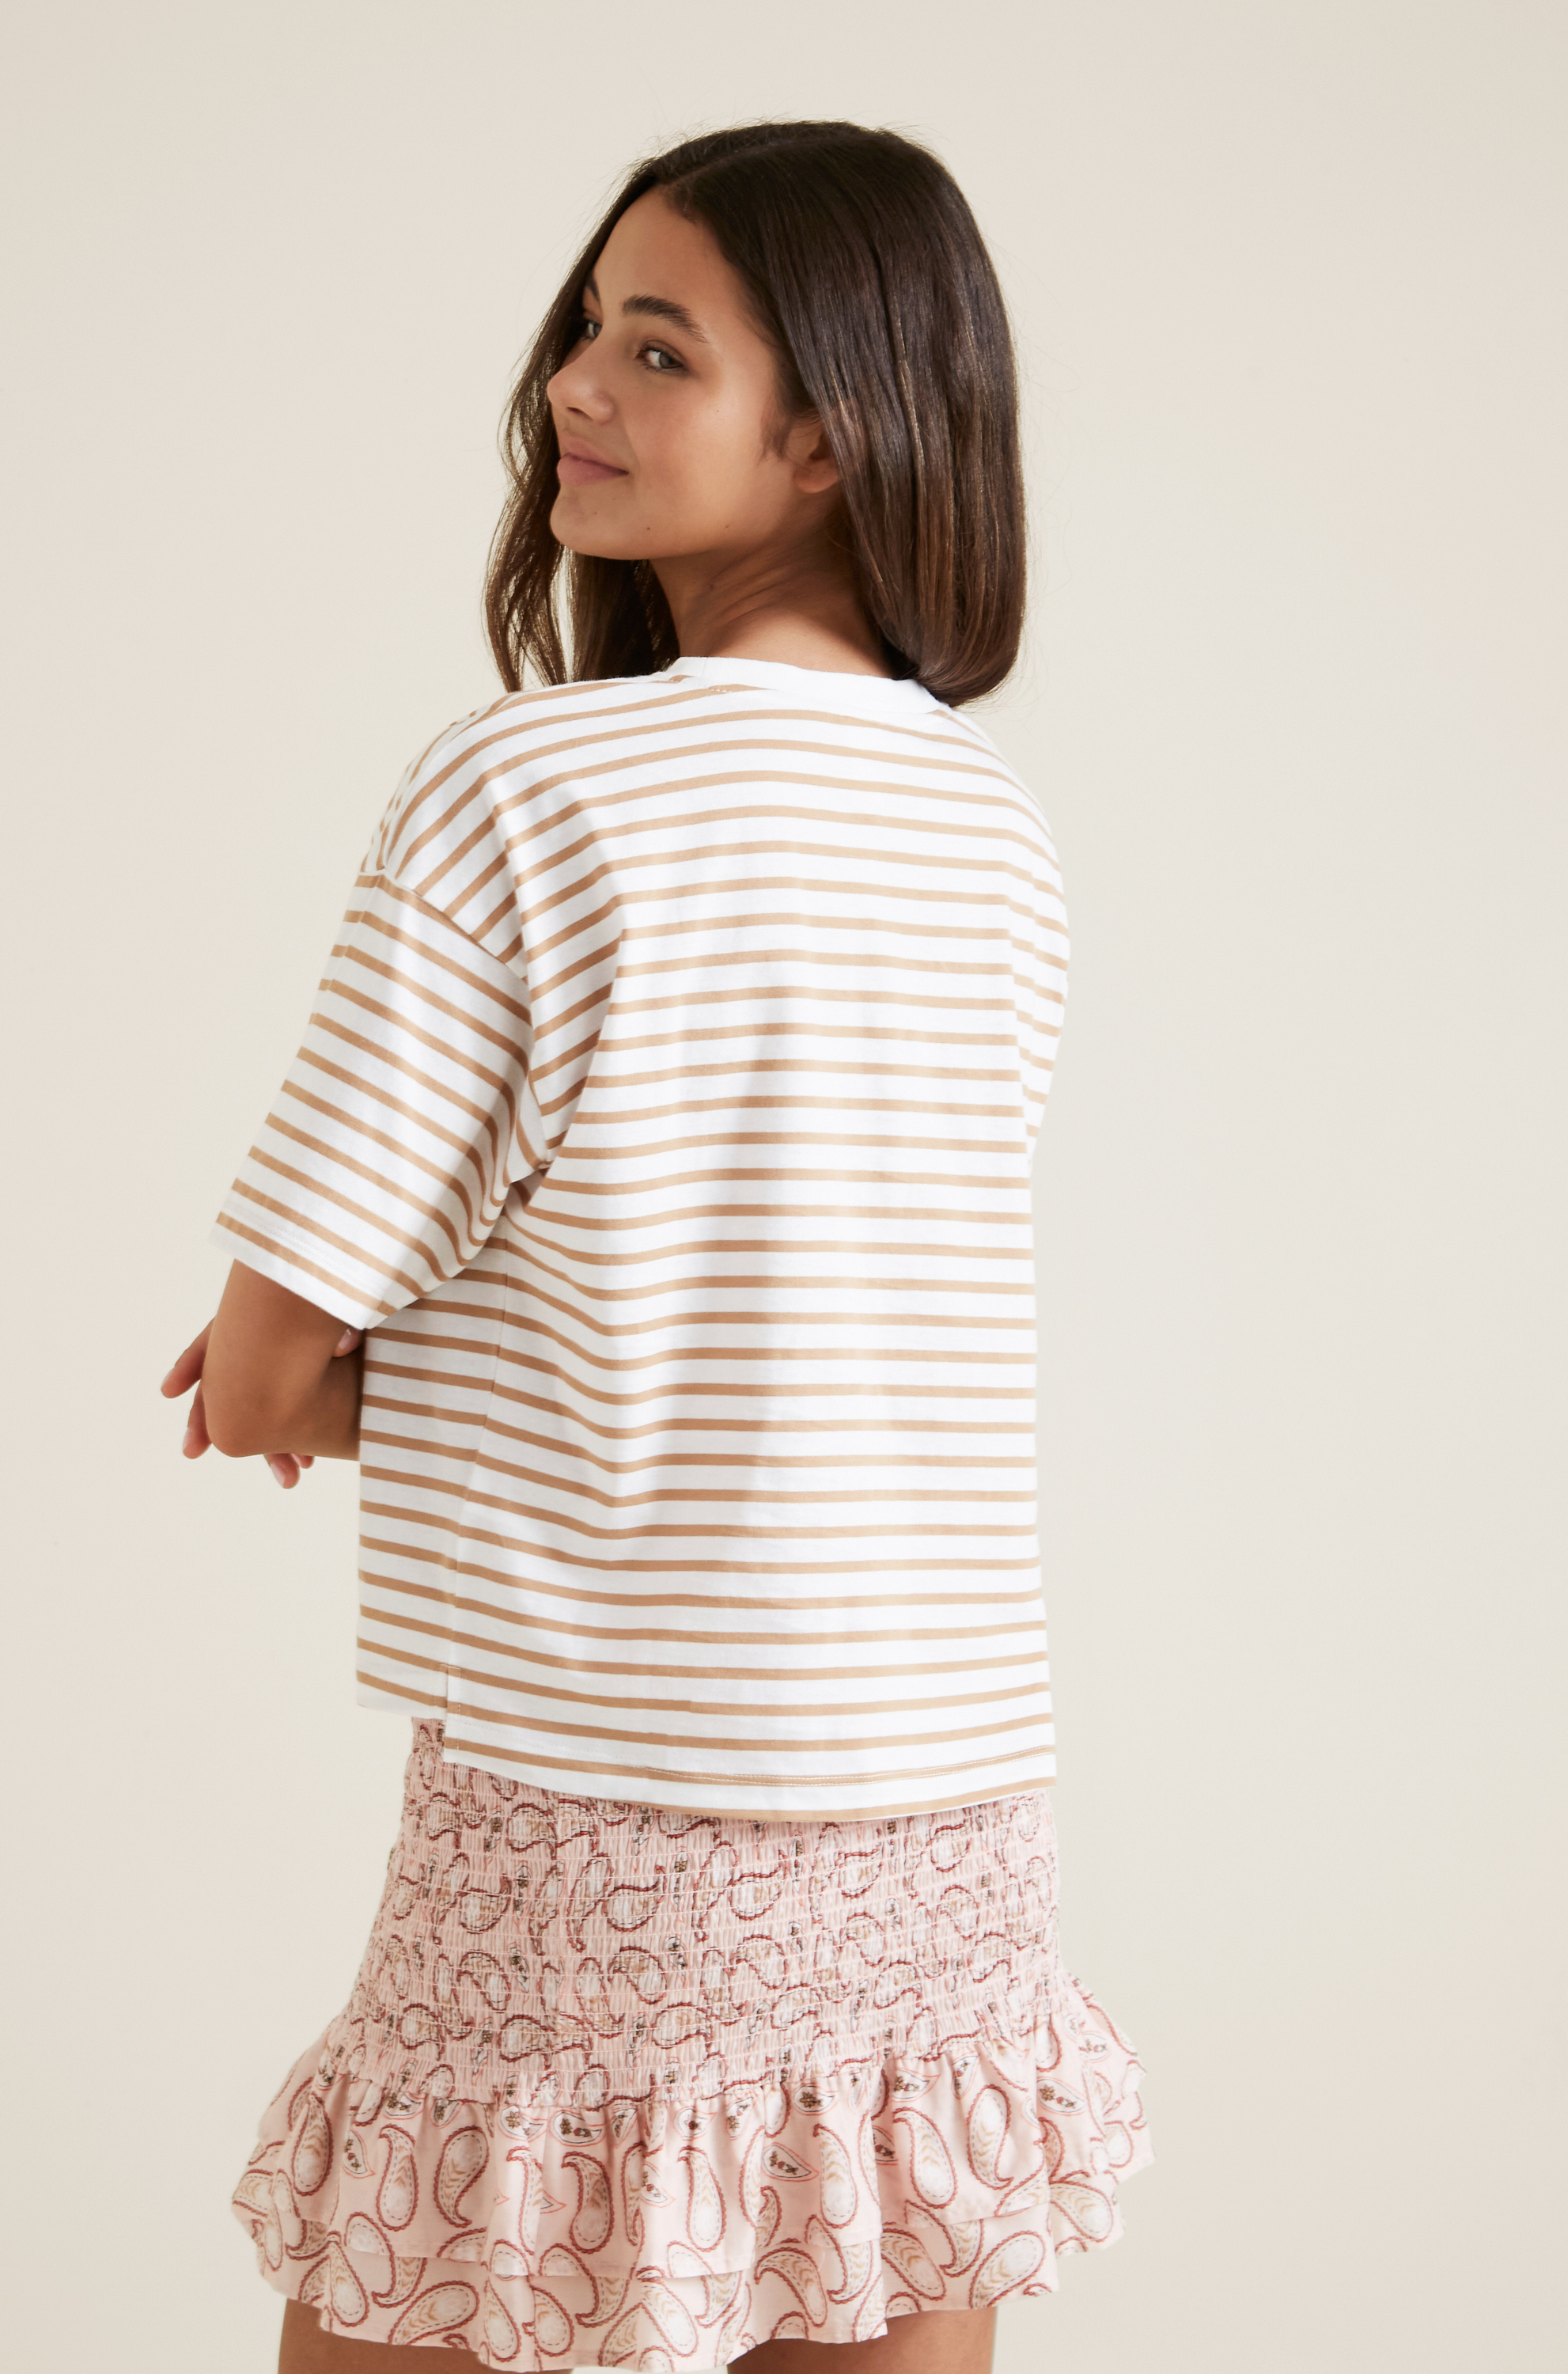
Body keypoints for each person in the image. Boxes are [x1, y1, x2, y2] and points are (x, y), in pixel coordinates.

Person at [162, 119, 1153, 2373]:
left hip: (605, 1783)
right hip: (938, 1787)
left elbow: (269, 1360)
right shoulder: (993, 833)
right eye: (586, 333)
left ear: (831, 435)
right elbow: (806, 1299)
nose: (572, 390)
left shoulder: (523, 792)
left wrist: (344, 1371)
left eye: (656, 349)